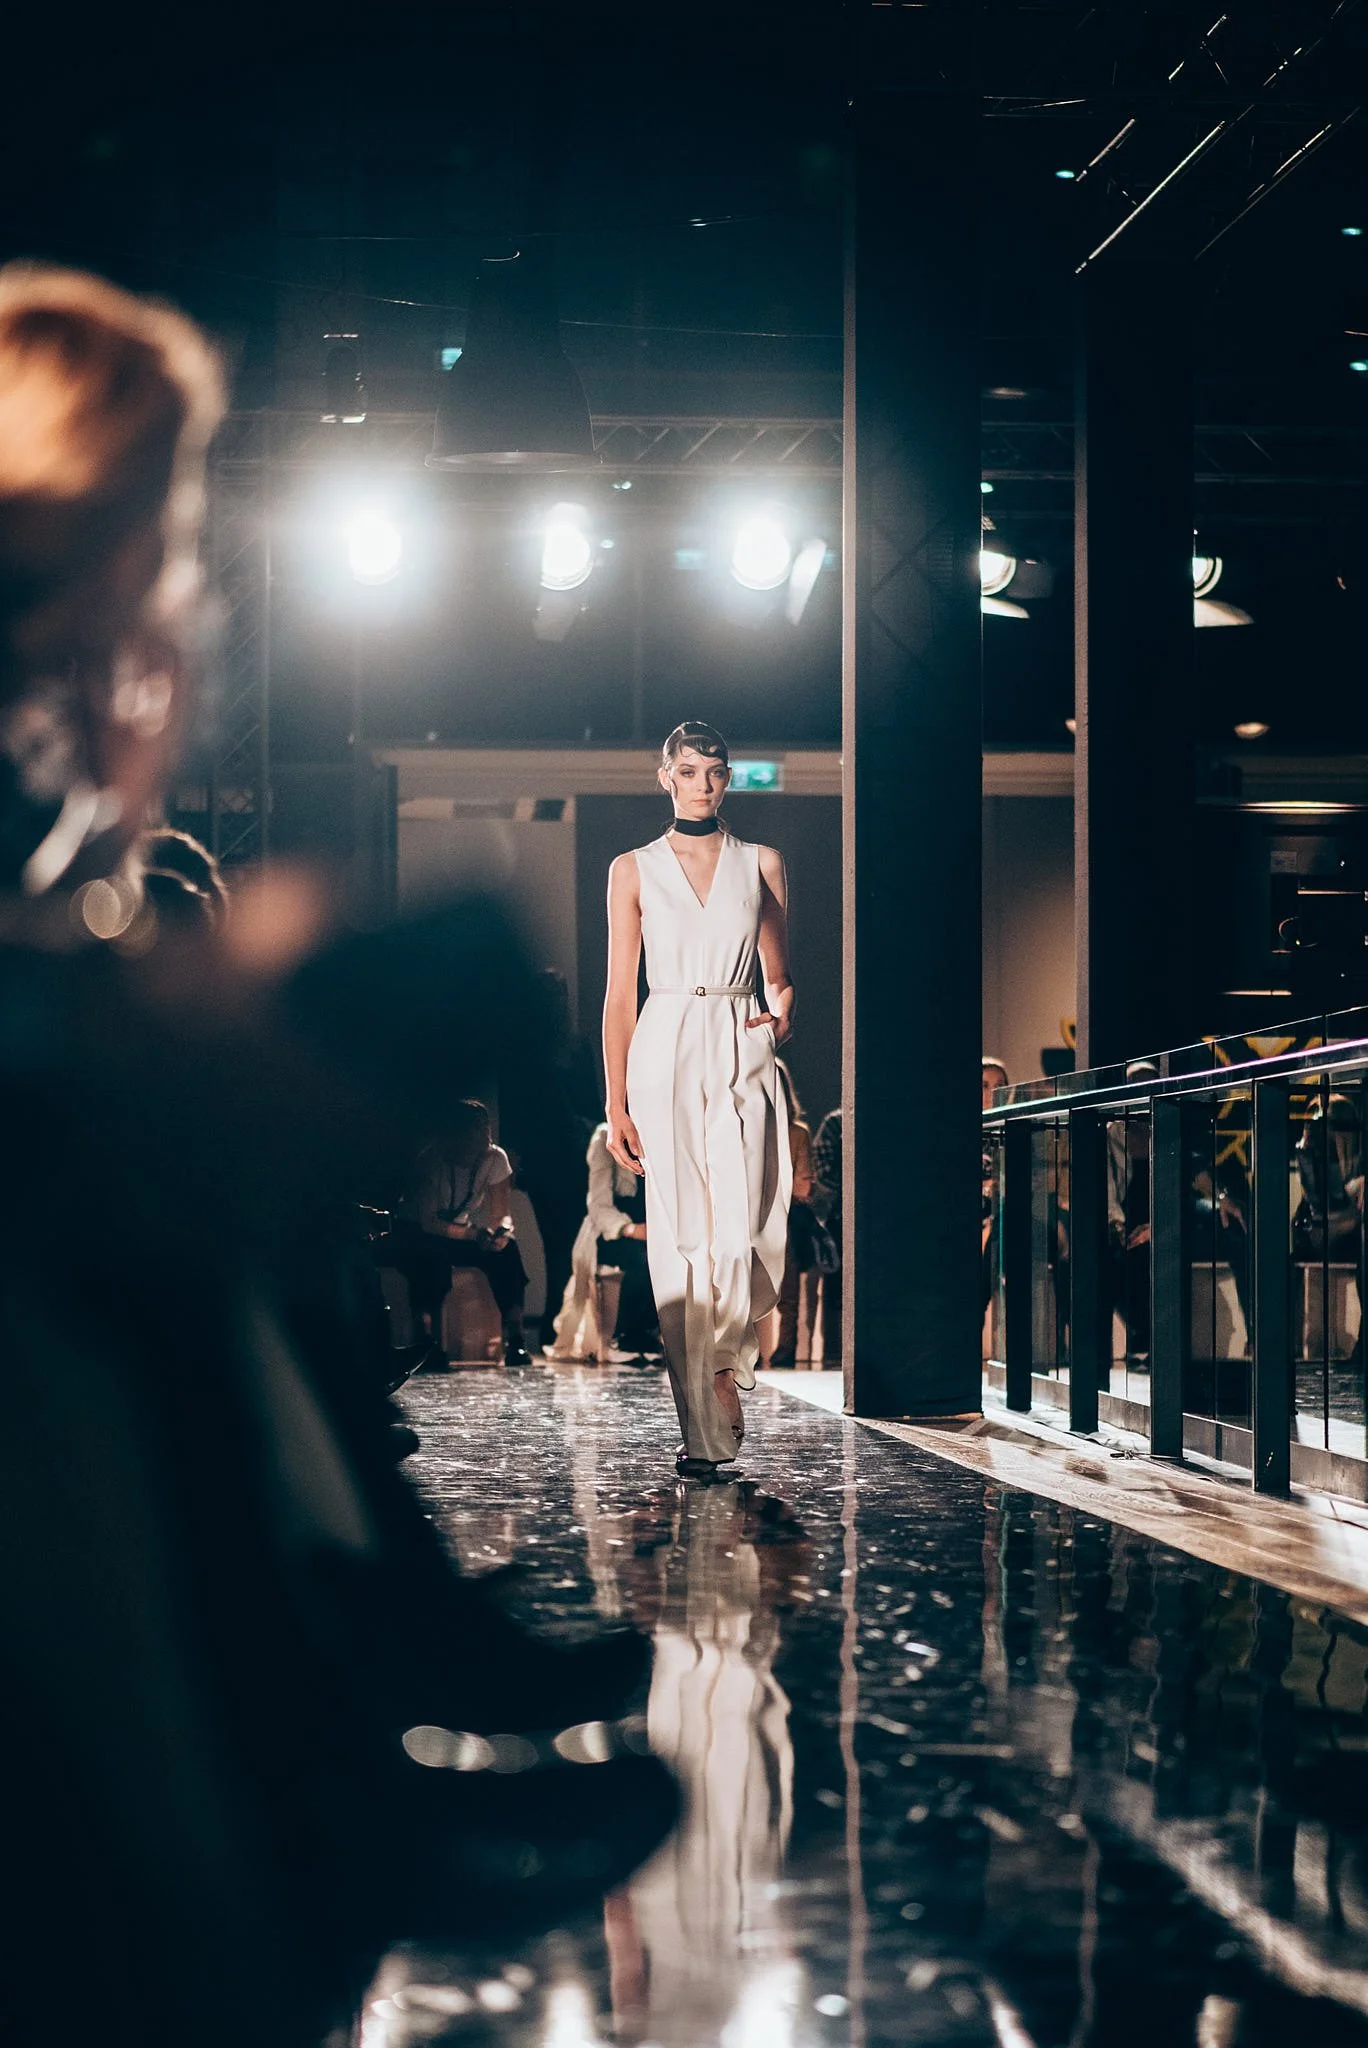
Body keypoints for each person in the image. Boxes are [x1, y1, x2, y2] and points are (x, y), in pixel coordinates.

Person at [603, 720, 794, 1474]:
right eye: (689, 771)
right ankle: (703, 1416)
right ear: (666, 777)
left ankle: (724, 1353)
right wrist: (614, 1101)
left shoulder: (763, 864)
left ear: (728, 778)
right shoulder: (632, 869)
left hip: (739, 1036)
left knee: (741, 1222)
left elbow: (780, 974)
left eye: (716, 772)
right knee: (680, 1230)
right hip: (665, 1035)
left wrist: (780, 1012)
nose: (704, 784)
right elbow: (621, 992)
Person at [398, 1098, 532, 1366]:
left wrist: (500, 1232)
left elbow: (500, 1212)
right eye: (474, 1128)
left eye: (485, 1127)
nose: (483, 1135)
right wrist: (473, 1234)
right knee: (429, 1257)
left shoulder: (495, 1158)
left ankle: (515, 1338)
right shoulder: (432, 1160)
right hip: (420, 1231)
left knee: (508, 1251)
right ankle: (428, 1341)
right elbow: (428, 1222)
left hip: (459, 1230)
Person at [548, 1121, 661, 1360]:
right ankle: (624, 1336)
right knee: (642, 1261)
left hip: (654, 1228)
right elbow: (598, 1205)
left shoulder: (661, 1132)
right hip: (612, 1233)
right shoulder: (605, 1135)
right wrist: (632, 1229)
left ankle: (659, 1334)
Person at [769, 1059, 815, 1369]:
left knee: (786, 1288)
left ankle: (785, 1348)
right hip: (750, 1214)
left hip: (782, 1215)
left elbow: (803, 1188)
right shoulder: (734, 1126)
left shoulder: (796, 1133)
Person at [811, 1104, 842, 1367]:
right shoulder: (836, 1123)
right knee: (835, 1288)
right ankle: (833, 1355)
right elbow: (820, 1172)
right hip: (840, 1217)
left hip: (884, 1220)